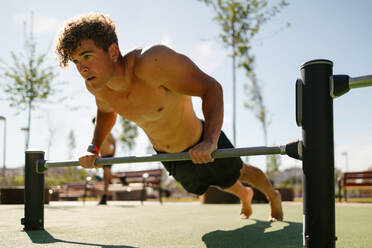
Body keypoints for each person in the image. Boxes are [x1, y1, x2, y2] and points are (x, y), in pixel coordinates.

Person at [56, 13, 283, 221]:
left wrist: (210, 141)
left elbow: (211, 88)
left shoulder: (153, 62)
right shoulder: (98, 88)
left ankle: (273, 195)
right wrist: (93, 148)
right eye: (76, 61)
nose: (82, 68)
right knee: (211, 183)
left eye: (87, 56)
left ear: (113, 52)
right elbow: (106, 112)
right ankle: (245, 195)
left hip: (202, 138)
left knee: (239, 171)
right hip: (169, 155)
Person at [91, 117, 126, 205]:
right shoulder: (97, 135)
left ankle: (104, 198)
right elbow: (97, 147)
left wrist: (113, 155)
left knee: (106, 178)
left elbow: (113, 143)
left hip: (108, 156)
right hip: (103, 157)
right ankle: (121, 177)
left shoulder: (106, 132)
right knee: (107, 176)